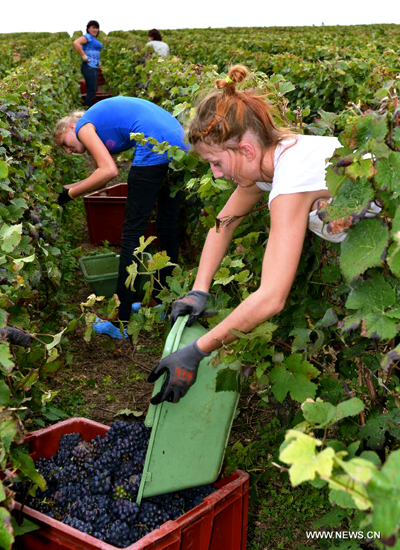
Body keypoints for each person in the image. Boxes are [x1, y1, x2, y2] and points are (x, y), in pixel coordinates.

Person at [147, 64, 380, 405]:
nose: (216, 173)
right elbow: (223, 222)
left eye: (216, 162)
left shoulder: (291, 179)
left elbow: (272, 297)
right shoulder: (270, 163)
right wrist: (199, 289)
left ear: (246, 150)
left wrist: (196, 351)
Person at [53, 96, 187, 338]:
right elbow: (100, 172)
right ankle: (161, 305)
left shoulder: (84, 126)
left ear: (72, 127)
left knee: (131, 235)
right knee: (167, 225)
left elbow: (109, 171)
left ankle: (120, 321)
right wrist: (69, 187)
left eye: (65, 143)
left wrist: (69, 195)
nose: (68, 151)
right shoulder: (100, 124)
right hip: (179, 146)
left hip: (154, 148)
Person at [73, 20, 103, 107]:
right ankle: (87, 108)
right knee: (91, 90)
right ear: (88, 29)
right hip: (89, 66)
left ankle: (88, 107)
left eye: (96, 28)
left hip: (93, 66)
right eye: (93, 27)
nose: (95, 30)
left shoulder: (92, 38)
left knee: (92, 89)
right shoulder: (87, 37)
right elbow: (76, 43)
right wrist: (84, 56)